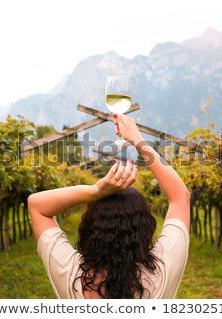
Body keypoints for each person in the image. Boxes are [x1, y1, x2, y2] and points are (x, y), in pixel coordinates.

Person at [28, 114, 190, 299]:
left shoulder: (70, 273)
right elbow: (180, 197)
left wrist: (95, 191)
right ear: (145, 227)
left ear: (90, 227)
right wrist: (137, 138)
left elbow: (37, 205)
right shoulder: (162, 270)